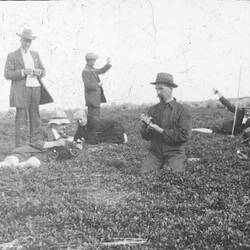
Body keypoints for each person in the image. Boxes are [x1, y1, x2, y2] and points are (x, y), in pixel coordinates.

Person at [4, 29, 48, 147]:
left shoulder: (35, 54)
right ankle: (21, 147)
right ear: (21, 40)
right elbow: (7, 74)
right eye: (25, 40)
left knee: (36, 117)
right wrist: (23, 72)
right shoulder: (12, 55)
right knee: (21, 118)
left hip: (36, 89)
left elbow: (44, 71)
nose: (27, 43)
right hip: (21, 91)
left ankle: (36, 144)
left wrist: (39, 72)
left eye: (29, 41)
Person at [140, 72, 192, 173]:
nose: (157, 93)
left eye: (161, 89)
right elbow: (146, 137)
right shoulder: (152, 110)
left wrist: (160, 130)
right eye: (156, 89)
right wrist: (147, 128)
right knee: (145, 174)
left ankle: (179, 162)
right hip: (155, 153)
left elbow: (184, 135)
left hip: (174, 153)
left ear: (170, 89)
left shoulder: (182, 111)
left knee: (173, 176)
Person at [0, 109, 78, 168]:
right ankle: (11, 164)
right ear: (54, 124)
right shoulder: (43, 130)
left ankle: (22, 166)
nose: (65, 127)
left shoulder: (61, 136)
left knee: (33, 163)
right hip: (28, 152)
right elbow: (36, 142)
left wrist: (73, 143)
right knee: (12, 161)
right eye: (62, 124)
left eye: (65, 124)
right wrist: (56, 143)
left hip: (42, 157)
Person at [81, 52, 112, 121]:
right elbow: (87, 85)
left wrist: (107, 64)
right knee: (93, 119)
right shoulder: (86, 71)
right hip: (92, 101)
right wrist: (98, 85)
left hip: (95, 100)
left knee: (96, 118)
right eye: (94, 60)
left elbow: (101, 71)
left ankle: (95, 130)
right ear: (90, 60)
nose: (95, 62)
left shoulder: (92, 69)